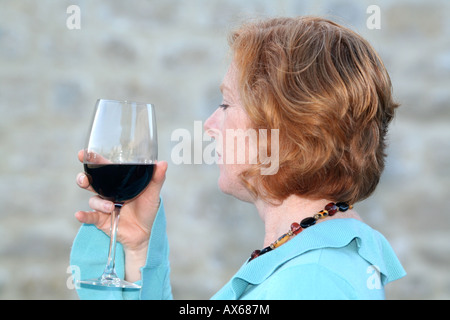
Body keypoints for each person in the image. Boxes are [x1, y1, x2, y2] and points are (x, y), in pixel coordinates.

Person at [71, 16, 406, 300]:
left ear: (283, 129)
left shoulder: (312, 283)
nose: (210, 125)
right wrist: (137, 252)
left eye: (227, 104)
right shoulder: (304, 260)